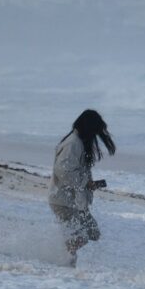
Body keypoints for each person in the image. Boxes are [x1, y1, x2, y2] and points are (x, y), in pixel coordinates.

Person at [48, 109, 115, 266]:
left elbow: (74, 171)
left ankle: (66, 258)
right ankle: (64, 262)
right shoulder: (73, 143)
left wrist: (87, 185)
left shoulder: (79, 142)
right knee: (80, 236)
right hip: (62, 200)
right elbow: (62, 170)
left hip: (75, 201)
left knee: (93, 232)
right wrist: (86, 183)